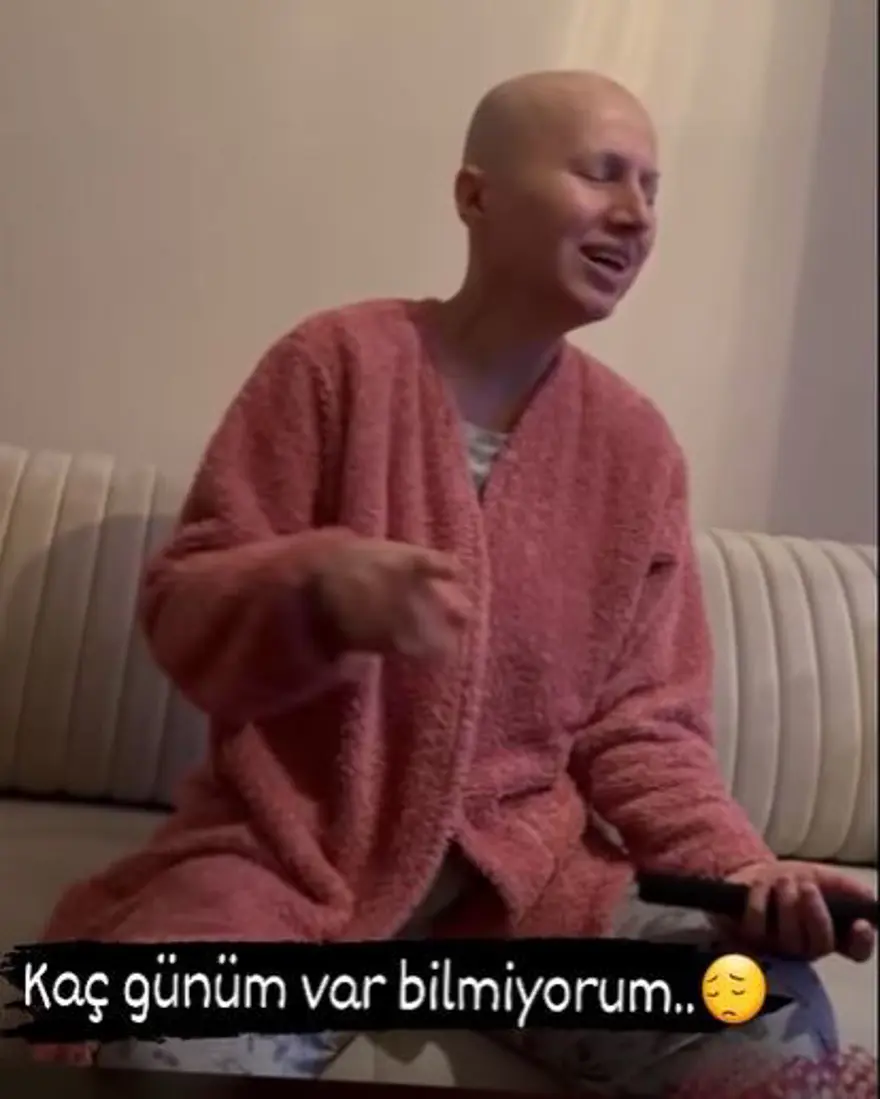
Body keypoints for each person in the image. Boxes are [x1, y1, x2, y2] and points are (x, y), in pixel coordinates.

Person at [36, 70, 874, 1094]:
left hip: (522, 892)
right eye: (601, 174)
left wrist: (742, 872)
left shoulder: (637, 449)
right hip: (295, 861)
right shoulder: (333, 364)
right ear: (476, 195)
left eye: (651, 188)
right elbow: (185, 605)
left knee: (764, 1007)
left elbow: (646, 728)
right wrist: (314, 590)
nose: (636, 214)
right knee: (161, 1037)